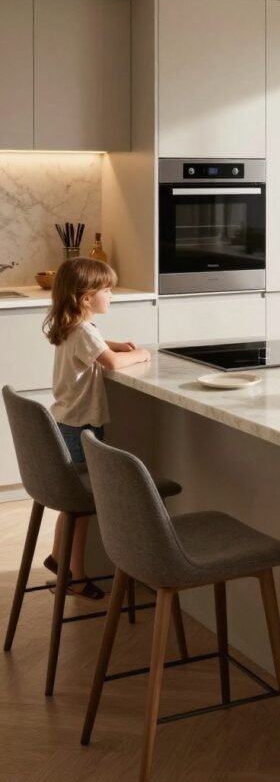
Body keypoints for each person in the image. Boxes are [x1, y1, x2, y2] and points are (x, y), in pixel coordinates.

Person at [42, 257, 151, 599]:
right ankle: (75, 577)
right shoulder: (85, 331)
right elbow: (112, 362)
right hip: (81, 427)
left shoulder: (70, 325)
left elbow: (99, 349)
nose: (112, 295)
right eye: (107, 289)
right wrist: (142, 354)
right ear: (86, 298)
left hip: (67, 421)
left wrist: (115, 343)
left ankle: (59, 560)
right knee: (84, 505)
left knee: (72, 503)